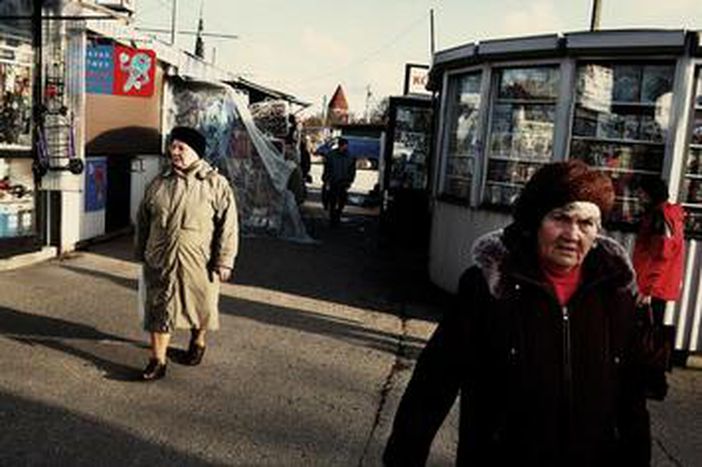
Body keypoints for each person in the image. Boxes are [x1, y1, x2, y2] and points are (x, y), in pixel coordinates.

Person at [384, 160, 650, 466]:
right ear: (535, 221)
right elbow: (433, 383)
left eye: (586, 223)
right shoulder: (488, 286)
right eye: (561, 218)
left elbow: (631, 399)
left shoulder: (615, 293)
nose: (572, 234)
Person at [135, 126, 239, 381]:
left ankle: (198, 340)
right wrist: (142, 253)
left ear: (196, 152)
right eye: (173, 146)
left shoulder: (215, 184)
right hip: (161, 259)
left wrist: (225, 260)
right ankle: (157, 361)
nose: (175, 151)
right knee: (159, 308)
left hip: (199, 260)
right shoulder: (158, 183)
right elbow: (143, 220)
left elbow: (229, 226)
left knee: (200, 305)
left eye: (181, 147)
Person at [633, 177, 686, 326]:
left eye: (642, 192)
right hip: (655, 284)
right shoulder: (666, 214)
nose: (638, 196)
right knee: (651, 327)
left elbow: (661, 256)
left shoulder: (659, 217)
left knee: (648, 329)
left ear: (651, 194)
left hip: (653, 286)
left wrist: (648, 290)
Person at [322, 137, 356, 226]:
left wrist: (350, 180)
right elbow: (327, 168)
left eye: (345, 146)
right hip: (334, 181)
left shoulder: (349, 156)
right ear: (341, 145)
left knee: (341, 201)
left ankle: (337, 215)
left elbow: (352, 170)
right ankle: (333, 218)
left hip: (342, 182)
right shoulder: (332, 155)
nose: (345, 147)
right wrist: (326, 180)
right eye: (344, 145)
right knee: (333, 201)